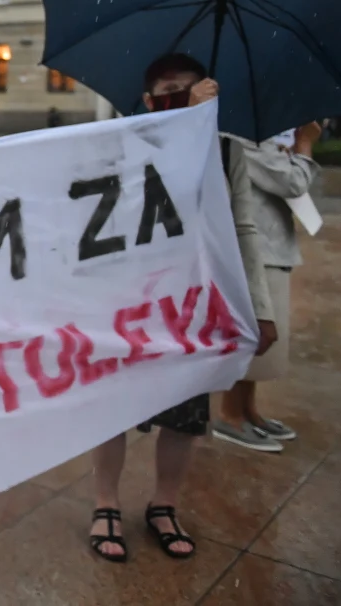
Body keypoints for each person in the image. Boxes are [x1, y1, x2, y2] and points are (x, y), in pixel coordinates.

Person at [88, 52, 276, 563]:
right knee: (112, 408)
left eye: (189, 90)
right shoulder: (121, 144)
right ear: (148, 101)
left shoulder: (228, 150)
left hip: (192, 302)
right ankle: (106, 503)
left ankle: (163, 504)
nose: (177, 98)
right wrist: (180, 129)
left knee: (186, 411)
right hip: (126, 301)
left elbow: (242, 226)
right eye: (169, 92)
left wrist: (260, 306)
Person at [212, 123, 321, 452]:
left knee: (265, 340)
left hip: (272, 247)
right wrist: (305, 144)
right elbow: (293, 182)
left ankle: (249, 412)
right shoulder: (240, 138)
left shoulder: (257, 140)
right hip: (258, 251)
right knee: (254, 335)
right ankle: (230, 416)